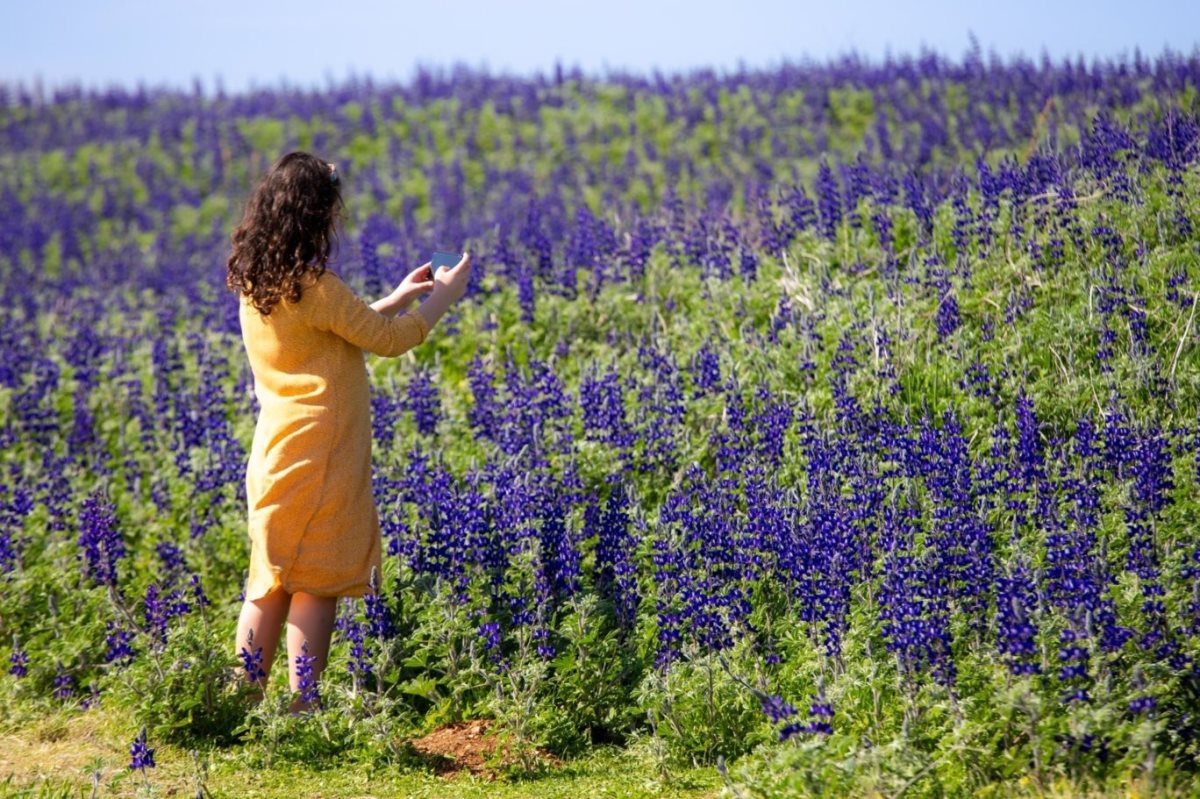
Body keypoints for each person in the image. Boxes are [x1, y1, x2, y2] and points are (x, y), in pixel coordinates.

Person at [225, 151, 471, 713]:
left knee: (270, 578)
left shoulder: (255, 282)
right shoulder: (316, 283)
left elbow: (329, 332)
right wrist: (442, 298)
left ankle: (238, 705)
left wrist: (396, 297)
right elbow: (388, 341)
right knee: (317, 579)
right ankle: (302, 707)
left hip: (275, 451)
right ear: (317, 216)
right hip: (323, 453)